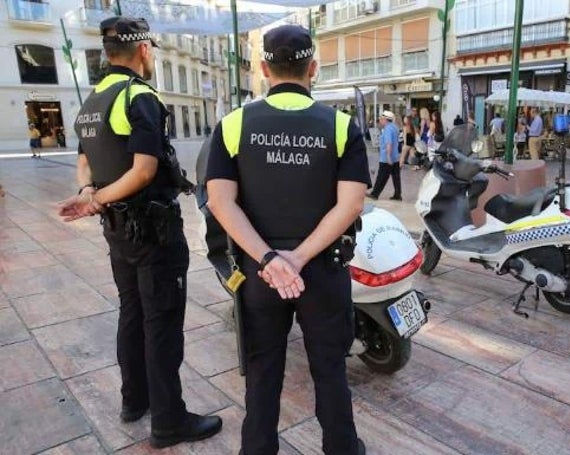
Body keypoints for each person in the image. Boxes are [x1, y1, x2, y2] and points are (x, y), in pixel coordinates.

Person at [56, 16, 222, 449]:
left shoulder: (93, 100)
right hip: (153, 232)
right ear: (144, 50)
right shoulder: (138, 96)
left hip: (118, 233)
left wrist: (90, 193)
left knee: (132, 313)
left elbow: (85, 161)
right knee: (162, 321)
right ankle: (168, 421)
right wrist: (96, 199)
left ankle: (135, 401)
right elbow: (145, 169)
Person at [205, 24, 369, 455]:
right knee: (330, 369)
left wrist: (270, 259)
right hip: (323, 270)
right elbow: (350, 205)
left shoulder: (233, 124)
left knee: (262, 370)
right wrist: (297, 258)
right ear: (313, 68)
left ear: (263, 69)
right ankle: (342, 447)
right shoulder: (341, 125)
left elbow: (220, 203)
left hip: (261, 275)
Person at [368, 110, 402, 201]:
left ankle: (375, 194)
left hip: (387, 158)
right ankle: (397, 194)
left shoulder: (387, 129)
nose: (380, 120)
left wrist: (388, 157)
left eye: (381, 119)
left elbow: (389, 144)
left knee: (382, 176)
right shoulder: (395, 127)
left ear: (385, 119)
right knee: (396, 177)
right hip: (395, 157)